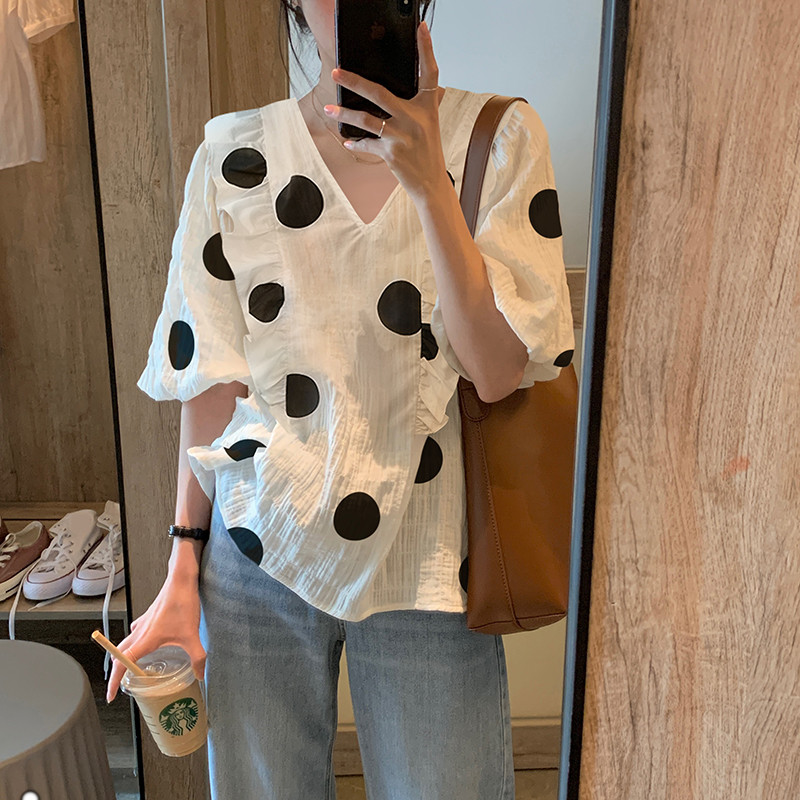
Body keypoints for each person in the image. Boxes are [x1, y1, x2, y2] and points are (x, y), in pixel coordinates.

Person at [106, 1, 575, 797]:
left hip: (428, 560)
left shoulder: (498, 139)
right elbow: (210, 378)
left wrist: (429, 187)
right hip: (257, 549)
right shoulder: (234, 155)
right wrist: (183, 563)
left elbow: (498, 372)